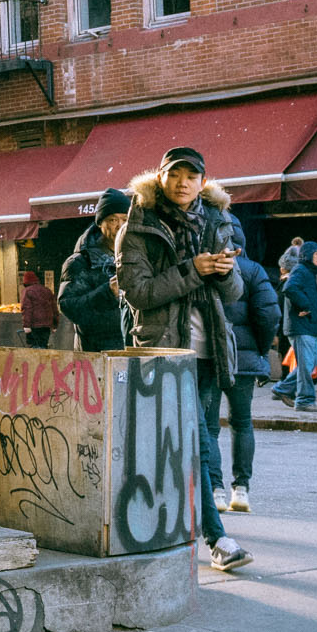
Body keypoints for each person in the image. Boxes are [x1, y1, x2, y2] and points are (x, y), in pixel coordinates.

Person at [116, 146, 252, 573]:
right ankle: (217, 539)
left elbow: (235, 295)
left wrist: (226, 272)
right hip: (164, 351)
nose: (182, 183)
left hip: (210, 349)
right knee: (196, 440)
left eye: (191, 176)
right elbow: (139, 293)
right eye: (175, 174)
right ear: (160, 177)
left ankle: (166, 525)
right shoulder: (138, 227)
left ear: (202, 182)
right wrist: (193, 269)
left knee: (197, 439)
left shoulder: (217, 220)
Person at [217, 212, 280, 514]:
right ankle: (240, 489)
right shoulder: (253, 270)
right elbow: (270, 314)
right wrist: (261, 349)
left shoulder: (209, 265)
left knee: (207, 425)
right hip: (243, 360)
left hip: (211, 356)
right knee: (241, 422)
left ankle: (214, 488)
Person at [59, 188, 131, 352]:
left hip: (129, 351)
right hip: (95, 355)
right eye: (113, 220)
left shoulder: (133, 256)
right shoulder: (79, 262)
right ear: (100, 223)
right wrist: (107, 292)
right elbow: (69, 308)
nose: (120, 226)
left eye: (125, 220)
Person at [272, 241, 317, 411]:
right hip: (302, 326)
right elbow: (290, 288)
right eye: (316, 254)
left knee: (309, 363)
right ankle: (304, 400)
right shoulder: (301, 270)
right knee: (307, 364)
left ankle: (283, 388)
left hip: (306, 326)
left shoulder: (305, 271)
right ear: (308, 255)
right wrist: (306, 306)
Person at [19, 269, 59, 348]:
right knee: (43, 346)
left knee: (34, 349)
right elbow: (54, 309)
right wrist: (55, 325)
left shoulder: (27, 291)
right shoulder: (47, 290)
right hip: (46, 326)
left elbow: (27, 309)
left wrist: (26, 326)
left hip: (34, 325)